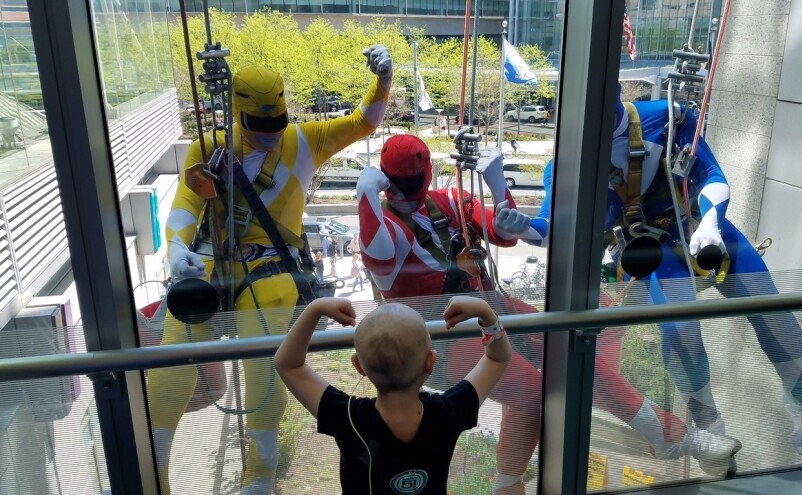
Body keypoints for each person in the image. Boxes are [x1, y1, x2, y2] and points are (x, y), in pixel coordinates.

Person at [515, 83, 802, 467]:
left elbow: (711, 173)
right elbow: (555, 225)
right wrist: (524, 227)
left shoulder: (667, 118)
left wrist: (712, 220)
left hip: (700, 228)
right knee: (680, 331)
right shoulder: (566, 165)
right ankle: (709, 424)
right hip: (649, 249)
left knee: (771, 309)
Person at [147, 44, 393, 495]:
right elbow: (186, 203)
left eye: (275, 123)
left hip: (271, 267)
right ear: (239, 113)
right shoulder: (212, 147)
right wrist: (176, 249)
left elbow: (364, 122)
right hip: (208, 261)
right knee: (172, 364)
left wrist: (382, 81)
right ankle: (150, 474)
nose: (270, 134)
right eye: (260, 126)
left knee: (264, 369)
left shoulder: (304, 140)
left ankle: (259, 477)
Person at [357, 134, 540, 494]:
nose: (405, 192)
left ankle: (659, 428)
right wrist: (365, 196)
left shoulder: (447, 201)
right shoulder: (389, 228)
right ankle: (507, 484)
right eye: (399, 182)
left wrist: (500, 190)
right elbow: (378, 260)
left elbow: (500, 231)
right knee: (530, 390)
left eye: (409, 182)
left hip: (480, 313)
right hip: (442, 338)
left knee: (562, 345)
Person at [274, 296, 512, 495]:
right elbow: (497, 358)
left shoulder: (347, 417)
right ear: (430, 363)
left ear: (359, 367)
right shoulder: (449, 412)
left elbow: (288, 365)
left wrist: (315, 309)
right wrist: (485, 313)